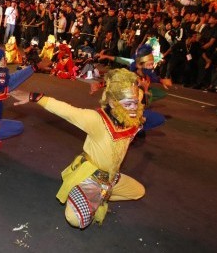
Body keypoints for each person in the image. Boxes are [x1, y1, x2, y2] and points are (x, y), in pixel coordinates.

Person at [10, 68, 146, 229]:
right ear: (112, 102)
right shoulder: (97, 120)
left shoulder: (133, 119)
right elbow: (68, 111)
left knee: (138, 191)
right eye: (128, 104)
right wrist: (35, 97)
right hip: (90, 177)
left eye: (135, 103)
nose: (132, 108)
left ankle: (101, 195)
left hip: (110, 178)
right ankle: (84, 192)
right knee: (76, 220)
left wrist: (136, 88)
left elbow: (138, 94)